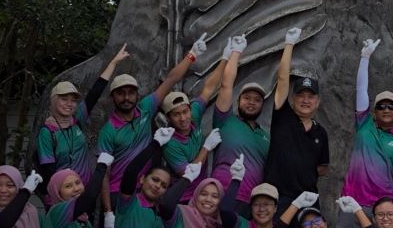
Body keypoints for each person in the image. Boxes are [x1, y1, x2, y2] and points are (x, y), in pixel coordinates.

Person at [95, 43, 196, 216]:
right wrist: (107, 211)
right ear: (113, 96)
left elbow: (171, 79)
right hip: (117, 193)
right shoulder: (108, 130)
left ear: (137, 94)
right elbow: (104, 174)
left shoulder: (145, 109)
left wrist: (192, 55)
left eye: (131, 92)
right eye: (121, 93)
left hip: (146, 191)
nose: (126, 97)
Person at [345, 37, 393, 204]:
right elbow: (361, 89)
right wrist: (365, 58)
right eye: (381, 106)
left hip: (385, 208)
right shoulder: (364, 123)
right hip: (353, 203)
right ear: (374, 113)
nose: (386, 110)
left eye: (391, 107)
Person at [267, 27, 329, 199]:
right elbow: (282, 79)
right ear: (292, 99)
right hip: (277, 198)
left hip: (307, 199)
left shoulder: (320, 133)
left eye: (310, 96)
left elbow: (323, 168)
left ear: (317, 102)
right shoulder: (283, 116)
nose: (305, 100)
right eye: (301, 95)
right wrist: (289, 44)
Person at [207, 35, 270, 197]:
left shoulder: (266, 136)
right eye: (247, 98)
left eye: (257, 100)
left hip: (251, 202)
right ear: (238, 100)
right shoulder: (225, 121)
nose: (251, 102)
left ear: (262, 105)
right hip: (220, 194)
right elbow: (226, 85)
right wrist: (235, 52)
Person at [33, 69, 107, 187]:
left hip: (85, 188)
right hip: (63, 192)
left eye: (73, 100)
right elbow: (48, 169)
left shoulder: (77, 120)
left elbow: (95, 93)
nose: (69, 104)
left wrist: (114, 62)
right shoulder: (47, 132)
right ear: (54, 100)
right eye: (64, 99)